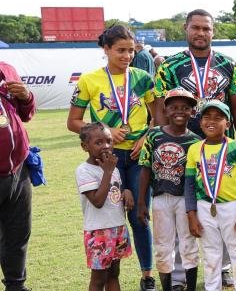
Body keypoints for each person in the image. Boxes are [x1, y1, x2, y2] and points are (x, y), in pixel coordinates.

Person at [67, 25, 159, 291]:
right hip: (107, 158)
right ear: (105, 49)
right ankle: (105, 275)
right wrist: (103, 132)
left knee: (140, 215)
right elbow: (73, 122)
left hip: (139, 155)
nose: (127, 55)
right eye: (120, 50)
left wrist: (146, 139)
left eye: (131, 50)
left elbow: (158, 117)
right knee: (108, 216)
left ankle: (147, 276)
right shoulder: (89, 80)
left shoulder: (143, 78)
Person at [136, 88, 202, 291]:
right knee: (163, 247)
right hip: (160, 198)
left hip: (185, 200)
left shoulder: (196, 141)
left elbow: (196, 178)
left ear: (193, 111)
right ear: (165, 110)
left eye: (185, 108)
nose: (179, 111)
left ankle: (189, 287)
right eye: (174, 107)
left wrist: (194, 208)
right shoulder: (155, 135)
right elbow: (146, 168)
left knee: (189, 245)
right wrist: (141, 202)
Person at [155, 9, 236, 148]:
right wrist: (163, 145)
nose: (200, 33)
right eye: (195, 28)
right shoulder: (168, 66)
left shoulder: (229, 64)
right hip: (182, 145)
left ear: (213, 31)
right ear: (185, 27)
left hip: (221, 145)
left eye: (206, 29)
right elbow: (161, 110)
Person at [184, 100, 236, 291]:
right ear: (200, 122)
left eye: (218, 117)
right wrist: (191, 215)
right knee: (210, 253)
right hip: (204, 206)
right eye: (206, 117)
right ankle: (212, 287)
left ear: (228, 124)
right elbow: (189, 184)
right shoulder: (194, 149)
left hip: (232, 206)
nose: (211, 121)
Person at [76, 122, 135, 291]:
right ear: (84, 146)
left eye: (109, 141)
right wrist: (108, 172)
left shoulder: (112, 168)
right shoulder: (84, 171)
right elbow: (98, 201)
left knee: (114, 274)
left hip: (117, 228)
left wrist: (126, 192)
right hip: (99, 232)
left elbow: (115, 191)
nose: (106, 146)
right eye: (99, 142)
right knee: (98, 280)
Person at [0, 61, 36, 291]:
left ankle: (16, 286)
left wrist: (26, 96)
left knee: (19, 232)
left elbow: (26, 114)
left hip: (18, 169)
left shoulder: (7, 68)